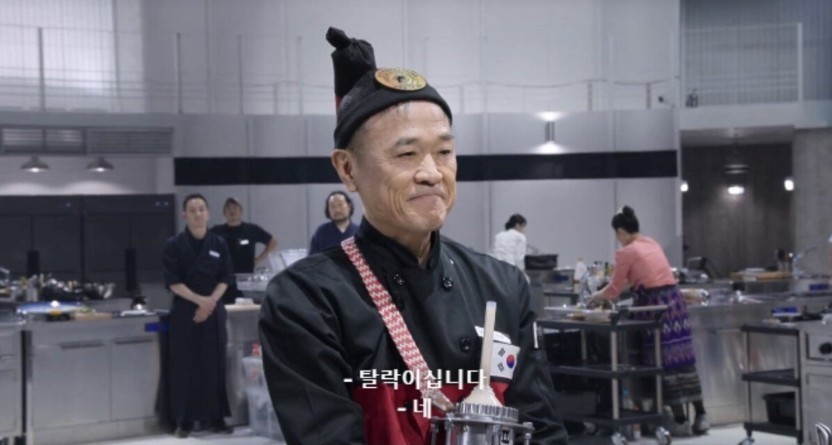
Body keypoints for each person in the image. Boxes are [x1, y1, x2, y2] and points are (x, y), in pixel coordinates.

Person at [258, 27, 567, 445]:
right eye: (406, 154)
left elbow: (541, 429)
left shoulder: (502, 286)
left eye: (444, 152)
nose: (432, 173)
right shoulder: (307, 301)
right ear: (347, 170)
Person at [589, 206, 708, 437]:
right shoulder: (651, 242)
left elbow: (615, 288)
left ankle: (679, 420)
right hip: (674, 304)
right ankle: (701, 416)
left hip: (654, 308)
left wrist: (596, 297)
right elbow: (635, 279)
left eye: (617, 234)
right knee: (683, 360)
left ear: (621, 231)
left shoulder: (626, 252)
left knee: (663, 363)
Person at [162, 193, 234, 438]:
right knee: (185, 366)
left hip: (213, 311)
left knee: (215, 365)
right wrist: (200, 301)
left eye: (201, 209)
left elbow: (226, 277)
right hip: (185, 312)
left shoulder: (219, 243)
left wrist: (210, 302)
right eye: (192, 210)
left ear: (208, 213)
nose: (197, 214)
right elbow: (173, 282)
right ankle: (184, 420)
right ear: (185, 215)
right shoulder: (174, 245)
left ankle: (216, 418)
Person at [210, 197, 277, 304]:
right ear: (224, 212)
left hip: (246, 281)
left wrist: (259, 259)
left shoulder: (251, 229)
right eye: (228, 208)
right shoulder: (217, 231)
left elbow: (272, 241)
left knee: (246, 309)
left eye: (235, 207)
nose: (232, 211)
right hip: (223, 281)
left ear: (241, 211)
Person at [308, 190, 359, 254]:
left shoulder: (359, 232)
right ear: (328, 210)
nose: (337, 210)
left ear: (349, 207)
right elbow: (312, 258)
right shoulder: (321, 232)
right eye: (332, 206)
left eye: (340, 205)